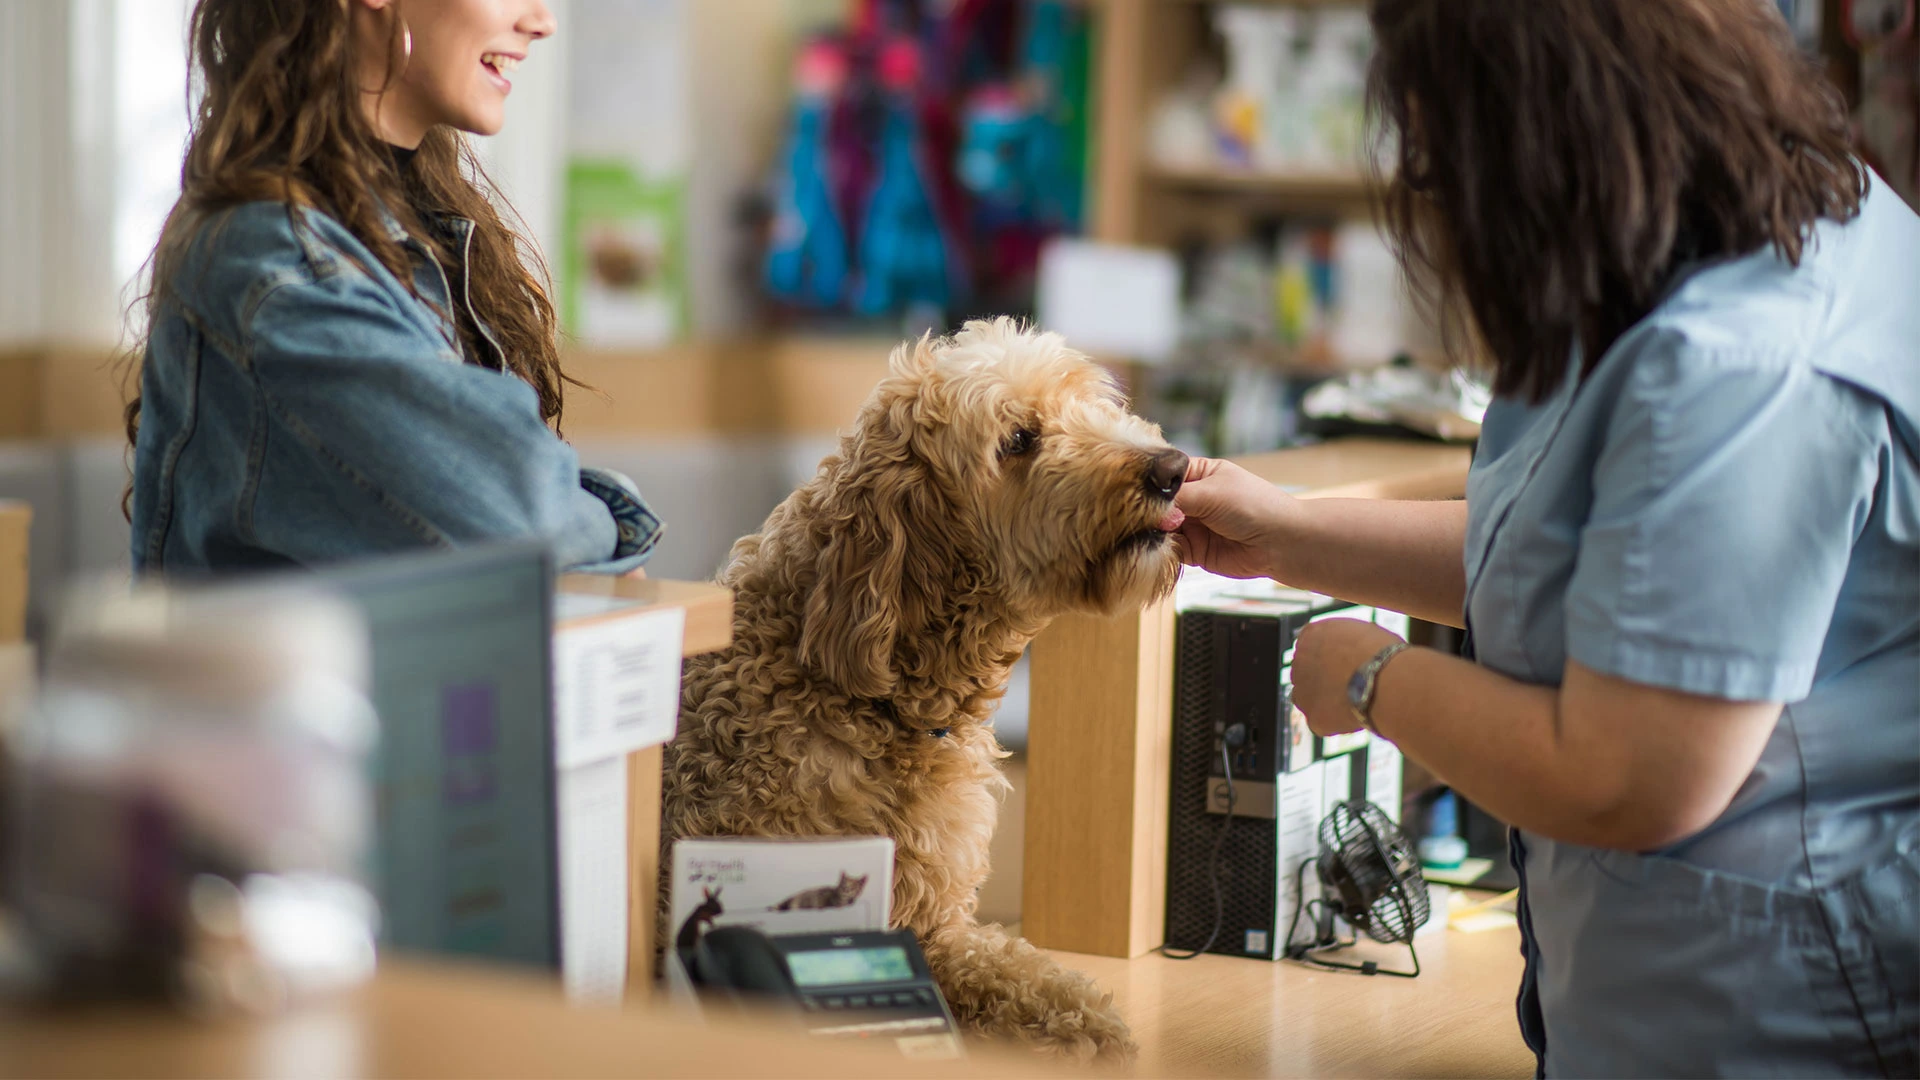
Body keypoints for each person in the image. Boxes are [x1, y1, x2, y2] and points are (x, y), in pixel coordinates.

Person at [1173, 2, 1917, 1076]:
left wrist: (1375, 683)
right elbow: (1606, 561)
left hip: (1770, 1006)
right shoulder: (1746, 229)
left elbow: (1633, 777)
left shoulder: (1744, 369)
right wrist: (1289, 535)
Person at [126, 0, 660, 576]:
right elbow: (520, 514)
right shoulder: (277, 258)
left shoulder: (412, 222)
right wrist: (611, 514)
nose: (541, 21)